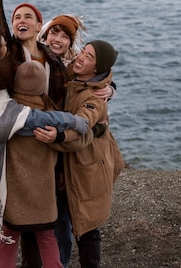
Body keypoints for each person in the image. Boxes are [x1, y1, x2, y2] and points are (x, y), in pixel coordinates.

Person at [0, 0, 114, 267]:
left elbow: (85, 84)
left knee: (53, 222)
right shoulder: (10, 53)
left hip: (52, 148)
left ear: (39, 24)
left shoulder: (57, 63)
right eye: (17, 17)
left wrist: (110, 85)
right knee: (21, 223)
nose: (21, 20)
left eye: (29, 16)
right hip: (20, 149)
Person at [0, 24, 90, 268]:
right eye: (2, 48)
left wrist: (102, 83)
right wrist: (73, 120)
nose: (7, 50)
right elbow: (29, 119)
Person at [35, 40, 125, 268]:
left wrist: (58, 136)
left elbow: (83, 125)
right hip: (72, 164)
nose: (81, 57)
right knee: (64, 219)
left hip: (88, 163)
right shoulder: (73, 75)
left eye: (89, 57)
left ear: (96, 68)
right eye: (83, 51)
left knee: (86, 226)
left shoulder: (96, 97)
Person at [0, 60, 76, 268]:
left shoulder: (8, 113)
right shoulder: (51, 115)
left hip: (14, 191)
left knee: (9, 238)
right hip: (43, 191)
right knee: (47, 236)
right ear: (43, 85)